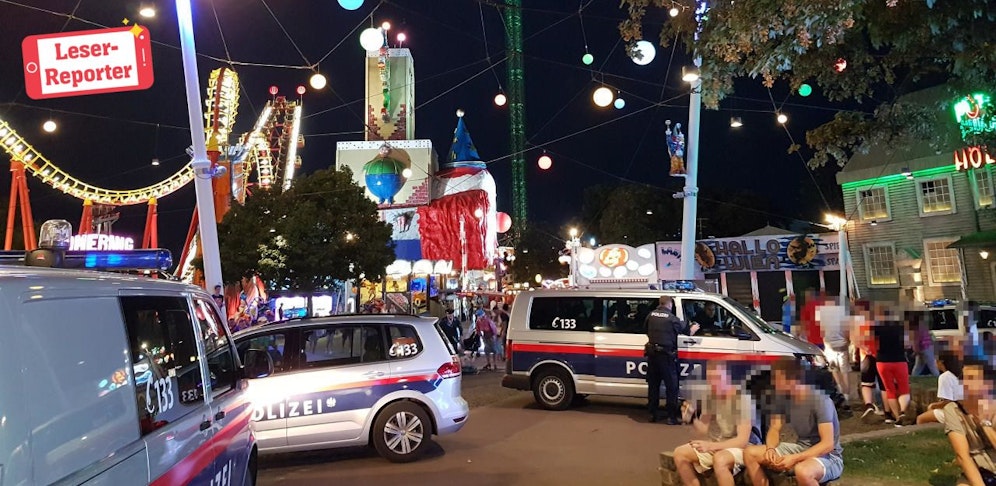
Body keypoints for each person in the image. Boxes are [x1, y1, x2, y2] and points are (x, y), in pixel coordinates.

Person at [743, 358, 844, 486]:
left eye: (777, 379)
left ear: (792, 380)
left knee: (803, 471)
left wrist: (795, 458)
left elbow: (827, 444)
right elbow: (775, 428)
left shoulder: (820, 401)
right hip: (801, 448)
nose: (774, 383)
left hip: (828, 456)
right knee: (750, 453)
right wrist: (771, 449)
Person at [672, 361, 755, 486]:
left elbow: (742, 441)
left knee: (720, 460)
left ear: (727, 377)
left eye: (717, 378)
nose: (713, 383)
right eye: (710, 379)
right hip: (716, 444)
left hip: (739, 447)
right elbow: (703, 429)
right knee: (680, 453)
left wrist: (711, 446)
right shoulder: (711, 396)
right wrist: (691, 418)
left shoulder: (741, 400)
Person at [645, 296, 700, 424]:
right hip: (666, 356)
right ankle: (671, 417)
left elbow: (646, 330)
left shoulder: (650, 315)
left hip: (652, 355)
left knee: (653, 385)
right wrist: (695, 326)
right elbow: (688, 332)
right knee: (672, 386)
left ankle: (652, 414)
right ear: (670, 305)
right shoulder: (672, 319)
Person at [942, 359, 996, 485]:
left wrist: (984, 423)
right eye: (963, 378)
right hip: (980, 471)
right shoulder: (953, 410)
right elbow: (962, 456)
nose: (966, 383)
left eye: (972, 378)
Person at [873, 305, 913, 426]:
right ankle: (903, 412)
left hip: (882, 361)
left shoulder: (876, 328)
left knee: (889, 389)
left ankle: (896, 418)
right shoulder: (901, 327)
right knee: (904, 388)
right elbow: (908, 344)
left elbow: (872, 342)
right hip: (899, 360)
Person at [916, 351, 964, 425]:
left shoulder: (945, 377)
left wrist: (934, 405)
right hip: (964, 409)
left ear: (940, 362)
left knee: (920, 419)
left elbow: (948, 402)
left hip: (955, 411)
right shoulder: (959, 373)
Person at [911, 312, 940, 376]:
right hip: (927, 347)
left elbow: (916, 341)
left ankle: (914, 376)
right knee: (930, 364)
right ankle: (937, 376)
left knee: (920, 365)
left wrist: (916, 351)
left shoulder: (916, 328)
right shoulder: (923, 326)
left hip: (923, 348)